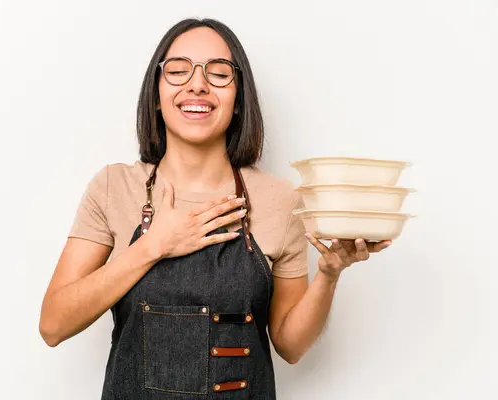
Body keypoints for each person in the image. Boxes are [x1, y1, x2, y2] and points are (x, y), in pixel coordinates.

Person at [39, 17, 392, 399]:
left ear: (239, 100)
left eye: (219, 73)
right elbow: (53, 325)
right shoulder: (113, 186)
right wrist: (153, 246)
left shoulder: (280, 200)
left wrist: (328, 274)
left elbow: (290, 346)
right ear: (156, 96)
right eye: (177, 70)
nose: (197, 84)